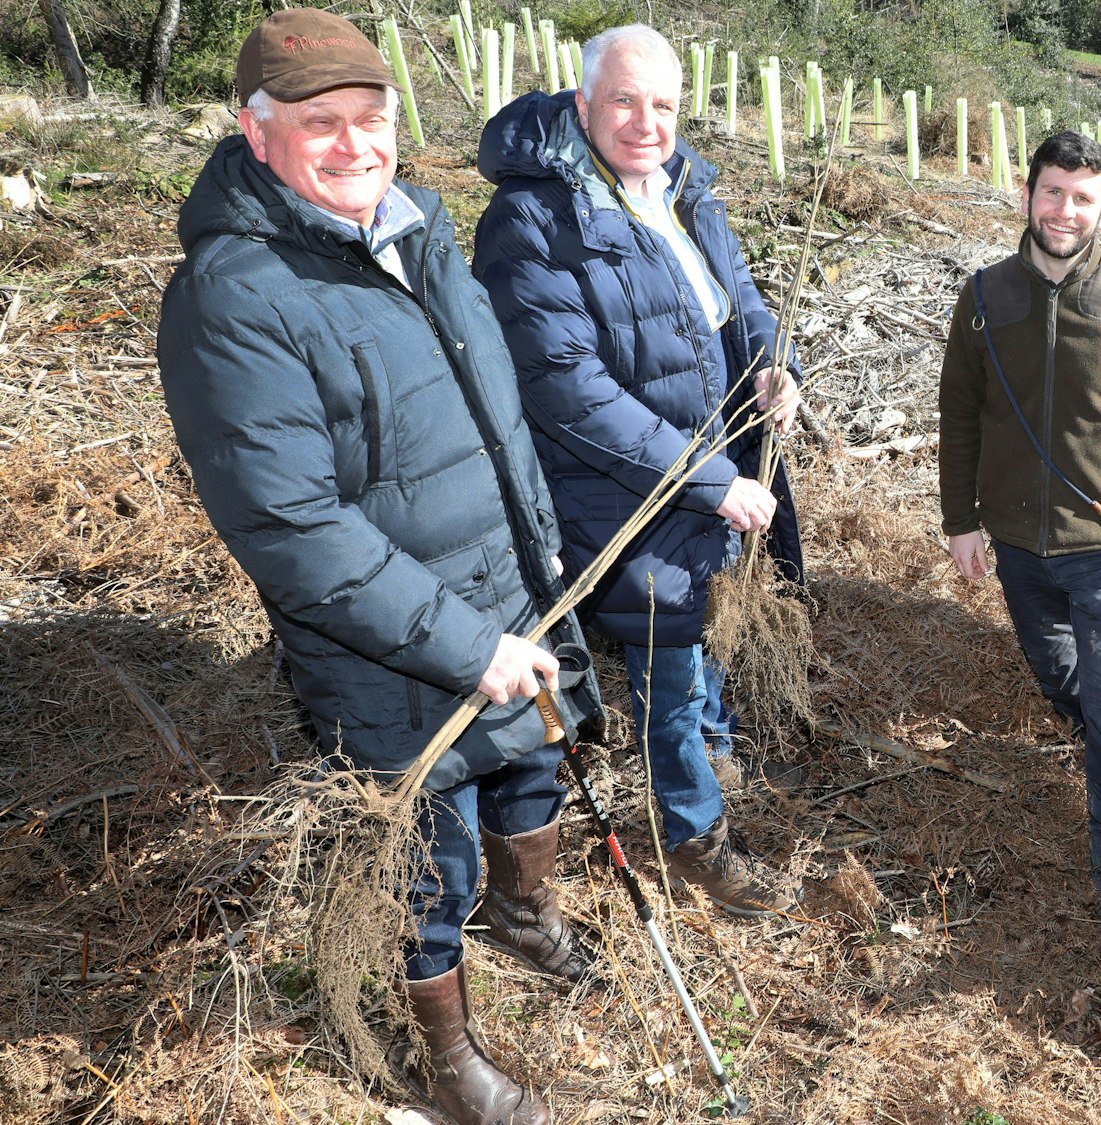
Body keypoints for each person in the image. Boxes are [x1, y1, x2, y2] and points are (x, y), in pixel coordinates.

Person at [156, 10, 602, 1124]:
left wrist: (538, 550)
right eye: (322, 124)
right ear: (257, 136)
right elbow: (292, 525)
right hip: (388, 647)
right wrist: (464, 642)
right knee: (423, 855)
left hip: (508, 590)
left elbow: (495, 413)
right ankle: (447, 1063)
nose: (355, 144)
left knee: (530, 769)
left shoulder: (415, 230)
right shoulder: (234, 294)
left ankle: (525, 912)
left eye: (371, 117)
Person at [472, 25, 802, 917]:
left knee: (706, 638)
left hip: (717, 474)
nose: (645, 123)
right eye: (623, 101)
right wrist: (705, 477)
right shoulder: (531, 219)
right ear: (582, 106)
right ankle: (693, 829)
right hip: (625, 493)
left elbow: (743, 305)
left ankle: (713, 739)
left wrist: (774, 366)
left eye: (663, 104)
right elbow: (568, 390)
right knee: (669, 661)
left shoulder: (687, 188)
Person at [937, 130, 1101, 952]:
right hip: (1015, 545)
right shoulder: (983, 297)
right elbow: (958, 414)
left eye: (1082, 197)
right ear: (1027, 195)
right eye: (1053, 192)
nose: (1065, 210)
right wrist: (960, 518)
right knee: (1059, 676)